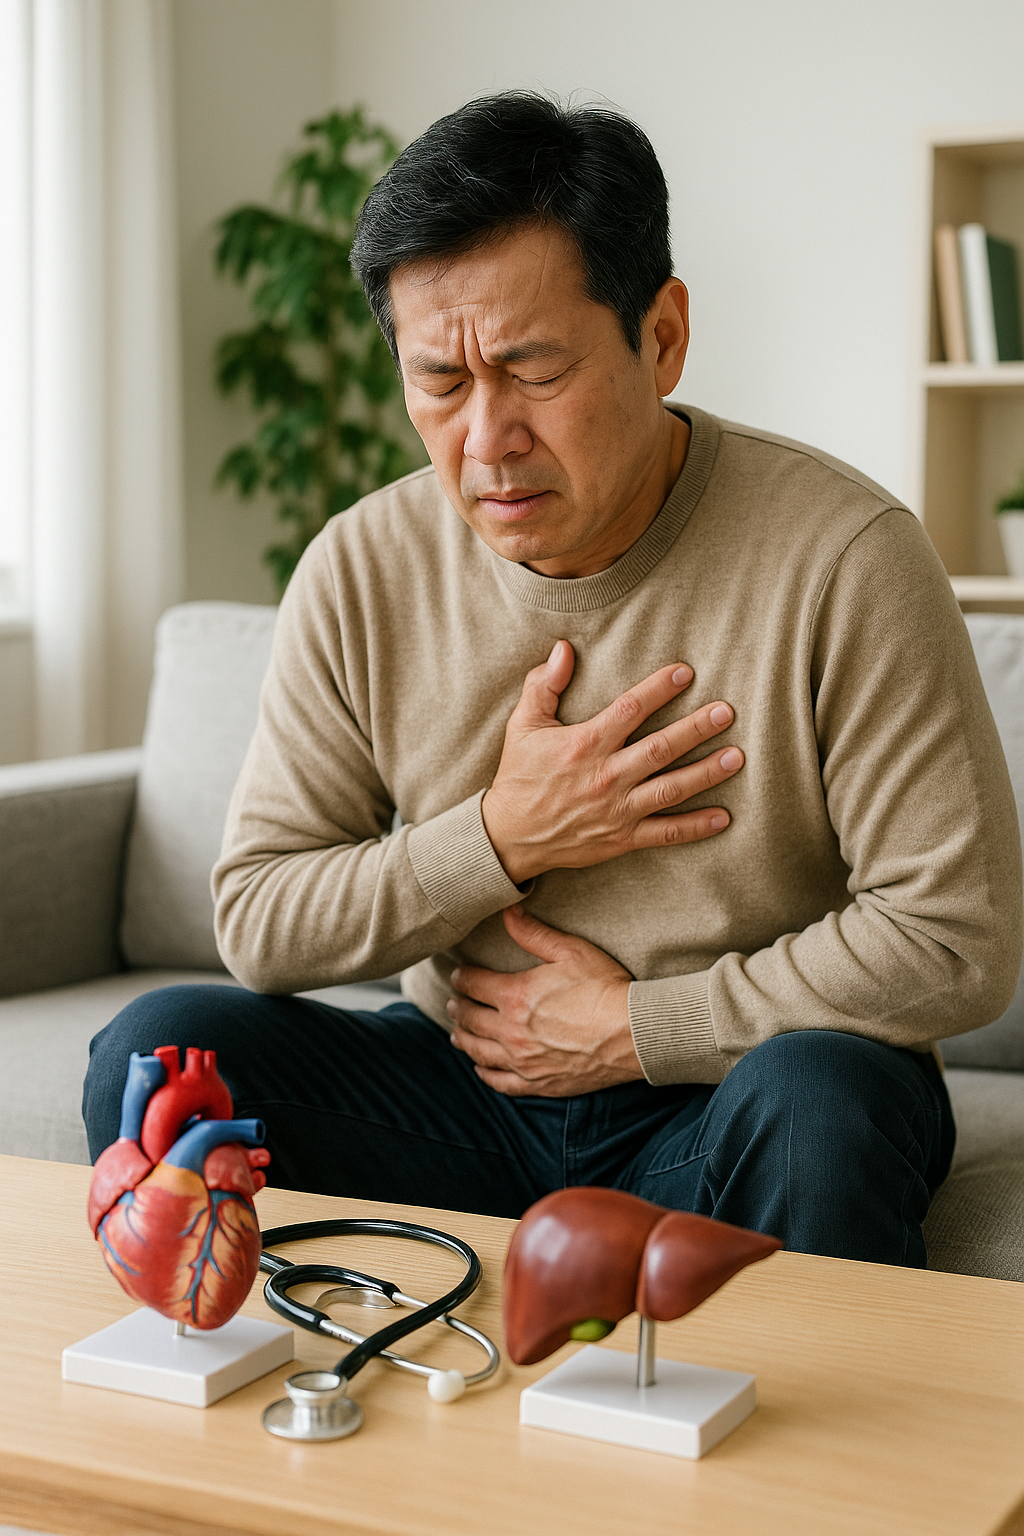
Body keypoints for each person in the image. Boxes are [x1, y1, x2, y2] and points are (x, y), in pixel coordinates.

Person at [83, 93, 1022, 1267]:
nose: (485, 438)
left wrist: (636, 1028)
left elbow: (955, 937)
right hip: (462, 1090)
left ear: (662, 336)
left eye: (532, 370)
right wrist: (502, 834)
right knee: (160, 1051)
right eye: (439, 381)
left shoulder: (845, 557)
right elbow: (261, 920)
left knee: (825, 1099)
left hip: (729, 1096)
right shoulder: (361, 567)